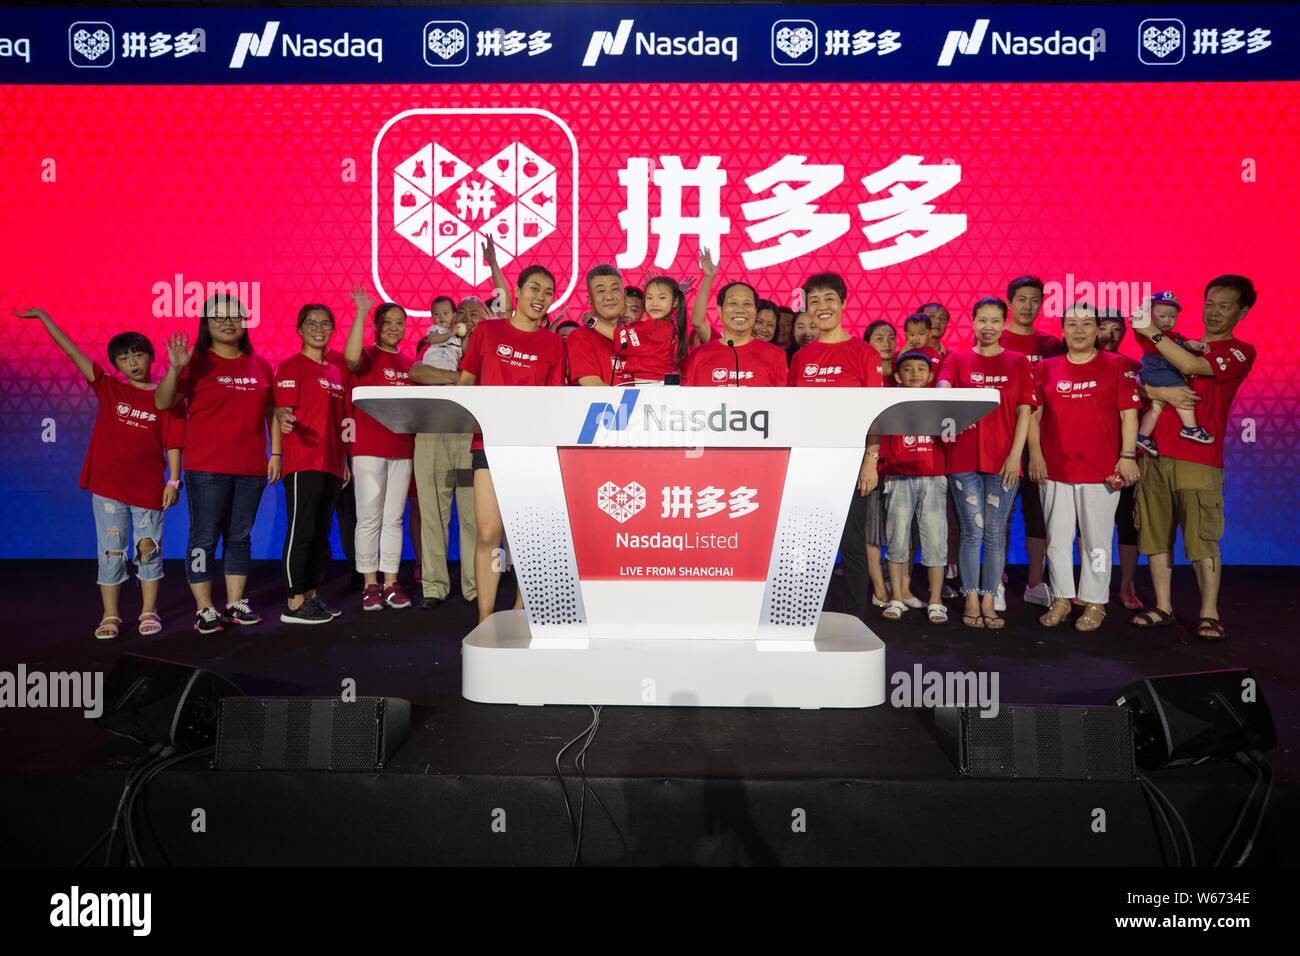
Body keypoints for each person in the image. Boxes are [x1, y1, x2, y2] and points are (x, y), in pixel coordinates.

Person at [18, 309, 184, 639]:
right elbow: (70, 350)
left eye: (138, 354)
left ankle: (148, 611)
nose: (133, 362)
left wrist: (174, 481)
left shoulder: (168, 397)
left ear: (151, 356)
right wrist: (44, 317)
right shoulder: (108, 388)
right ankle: (110, 615)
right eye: (124, 358)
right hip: (108, 487)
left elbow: (174, 443)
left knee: (148, 550)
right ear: (116, 365)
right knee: (111, 553)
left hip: (149, 488)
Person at [1131, 275, 1257, 641]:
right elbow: (1141, 377)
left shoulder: (1238, 351)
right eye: (1210, 303)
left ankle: (1209, 612)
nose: (1214, 312)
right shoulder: (1175, 341)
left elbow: (1191, 366)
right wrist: (1154, 389)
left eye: (1225, 306)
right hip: (1154, 452)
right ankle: (1163, 606)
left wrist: (1150, 330)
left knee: (1202, 538)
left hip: (1199, 458)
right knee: (1154, 534)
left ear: (1242, 312)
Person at [155, 293, 280, 634]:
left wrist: (276, 453)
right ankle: (204, 607)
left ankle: (236, 604)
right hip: (207, 466)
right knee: (204, 537)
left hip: (251, 467)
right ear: (206, 325)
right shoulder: (196, 361)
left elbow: (272, 414)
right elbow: (163, 402)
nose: (228, 322)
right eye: (218, 317)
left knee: (239, 537)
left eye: (235, 316)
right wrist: (175, 368)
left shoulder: (260, 365)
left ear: (245, 322)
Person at [454, 249, 565, 622]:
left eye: (548, 292)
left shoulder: (554, 343)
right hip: (488, 445)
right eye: (534, 288)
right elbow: (466, 382)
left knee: (529, 540)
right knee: (488, 533)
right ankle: (485, 618)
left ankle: (520, 612)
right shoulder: (488, 331)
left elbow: (553, 400)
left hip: (533, 450)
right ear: (516, 291)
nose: (540, 297)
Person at [1027, 303, 1141, 632]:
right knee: (1058, 540)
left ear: (1097, 330)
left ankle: (1095, 601)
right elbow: (1034, 415)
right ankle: (1062, 598)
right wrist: (1035, 454)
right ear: (1062, 329)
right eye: (1072, 323)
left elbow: (1128, 415)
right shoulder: (1046, 368)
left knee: (1097, 541)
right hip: (1055, 469)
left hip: (1102, 469)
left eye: (1087, 323)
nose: (1079, 329)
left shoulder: (1116, 365)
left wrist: (1127, 454)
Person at [787, 273, 885, 622]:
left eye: (829, 298)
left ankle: (856, 616)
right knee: (811, 547)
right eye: (814, 301)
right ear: (807, 310)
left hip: (850, 460)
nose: (822, 306)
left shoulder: (864, 352)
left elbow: (876, 414)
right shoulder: (802, 358)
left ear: (842, 303)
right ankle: (816, 613)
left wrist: (870, 460)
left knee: (852, 544)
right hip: (809, 461)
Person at [938, 297, 1038, 629]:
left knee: (994, 533)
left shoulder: (1018, 362)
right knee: (972, 531)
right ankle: (970, 597)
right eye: (982, 320)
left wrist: (1015, 455)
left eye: (995, 321)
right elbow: (943, 389)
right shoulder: (957, 358)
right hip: (964, 457)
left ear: (1003, 323)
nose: (989, 327)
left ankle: (988, 598)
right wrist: (952, 409)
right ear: (973, 322)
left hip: (1004, 461)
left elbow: (1026, 410)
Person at [275, 304, 350, 624]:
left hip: (332, 464)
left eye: (325, 324)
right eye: (311, 323)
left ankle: (311, 595)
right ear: (299, 329)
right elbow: (281, 411)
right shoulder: (291, 366)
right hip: (303, 461)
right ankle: (293, 601)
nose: (319, 329)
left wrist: (344, 461)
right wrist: (284, 418)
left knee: (320, 534)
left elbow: (338, 423)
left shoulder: (334, 372)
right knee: (301, 532)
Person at [344, 288, 416, 612]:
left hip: (402, 449)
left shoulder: (410, 364)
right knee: (369, 518)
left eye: (400, 323)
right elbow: (349, 359)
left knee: (394, 519)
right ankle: (369, 584)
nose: (394, 328)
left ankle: (390, 583)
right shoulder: (367, 357)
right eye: (388, 322)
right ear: (376, 325)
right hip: (369, 448)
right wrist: (360, 312)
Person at [999, 275, 1060, 608]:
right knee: (1000, 515)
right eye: (1022, 299)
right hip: (1004, 441)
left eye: (1035, 299)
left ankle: (1035, 582)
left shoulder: (1052, 346)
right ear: (1009, 303)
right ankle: (995, 576)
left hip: (1044, 443)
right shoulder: (996, 339)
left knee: (1038, 513)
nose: (1028, 306)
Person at [411, 298, 476, 610]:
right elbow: (418, 372)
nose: (467, 318)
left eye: (475, 313)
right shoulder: (435, 341)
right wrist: (460, 380)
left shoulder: (483, 347)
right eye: (462, 312)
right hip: (431, 435)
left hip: (468, 439)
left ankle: (475, 586)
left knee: (470, 513)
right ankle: (434, 586)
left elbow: (485, 381)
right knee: (433, 512)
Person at [880, 350, 948, 624]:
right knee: (897, 539)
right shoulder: (889, 402)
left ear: (931, 374)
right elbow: (882, 438)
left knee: (935, 540)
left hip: (933, 476)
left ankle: (936, 600)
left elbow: (950, 439)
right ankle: (896, 597)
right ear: (897, 375)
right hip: (898, 477)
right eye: (908, 369)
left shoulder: (940, 403)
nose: (915, 373)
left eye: (921, 368)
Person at [1096, 309, 1146, 609]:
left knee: (1128, 525)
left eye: (1117, 329)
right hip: (1090, 457)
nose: (1110, 335)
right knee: (1085, 528)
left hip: (1128, 457)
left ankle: (1126, 586)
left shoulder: (1135, 368)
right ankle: (1090, 583)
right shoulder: (1074, 364)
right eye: (1104, 327)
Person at [1134, 291, 1213, 455]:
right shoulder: (1145, 331)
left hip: (1160, 372)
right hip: (1157, 369)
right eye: (1162, 316)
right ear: (1150, 315)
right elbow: (1138, 317)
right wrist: (1146, 304)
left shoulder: (1174, 336)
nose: (1168, 320)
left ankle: (1142, 436)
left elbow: (1184, 343)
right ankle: (1190, 428)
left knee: (1156, 406)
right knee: (1183, 394)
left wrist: (1196, 345)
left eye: (1173, 317)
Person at [682, 280, 787, 386]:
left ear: (755, 310)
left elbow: (786, 400)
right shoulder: (699, 355)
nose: (740, 309)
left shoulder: (776, 355)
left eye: (747, 304)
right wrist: (709, 277)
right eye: (733, 303)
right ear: (719, 309)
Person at [566, 264, 635, 386]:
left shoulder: (637, 333)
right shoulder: (579, 338)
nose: (609, 297)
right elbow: (593, 386)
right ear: (590, 300)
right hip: (609, 404)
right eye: (601, 291)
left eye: (614, 289)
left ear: (624, 294)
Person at [643, 275, 691, 369]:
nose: (654, 303)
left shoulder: (672, 329)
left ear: (675, 302)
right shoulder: (645, 326)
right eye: (649, 298)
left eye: (662, 298)